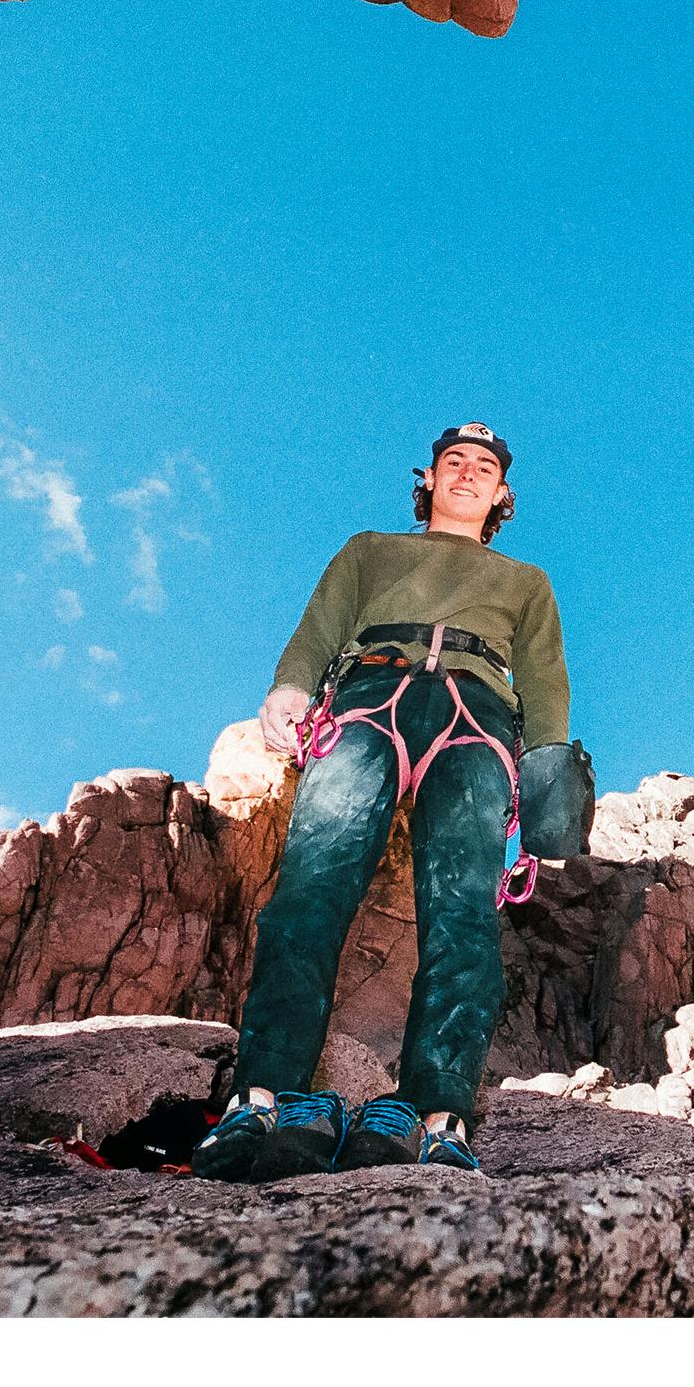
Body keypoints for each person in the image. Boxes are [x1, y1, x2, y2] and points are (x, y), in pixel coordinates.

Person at [191, 423, 578, 1182]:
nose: (467, 473)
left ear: (503, 494)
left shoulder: (526, 582)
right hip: (369, 695)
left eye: (485, 468)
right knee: (311, 889)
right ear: (428, 480)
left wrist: (547, 776)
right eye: (453, 462)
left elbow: (546, 677)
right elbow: (321, 622)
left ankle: (439, 1117)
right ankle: (262, 1098)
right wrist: (291, 683)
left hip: (481, 718)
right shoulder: (370, 549)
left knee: (463, 912)